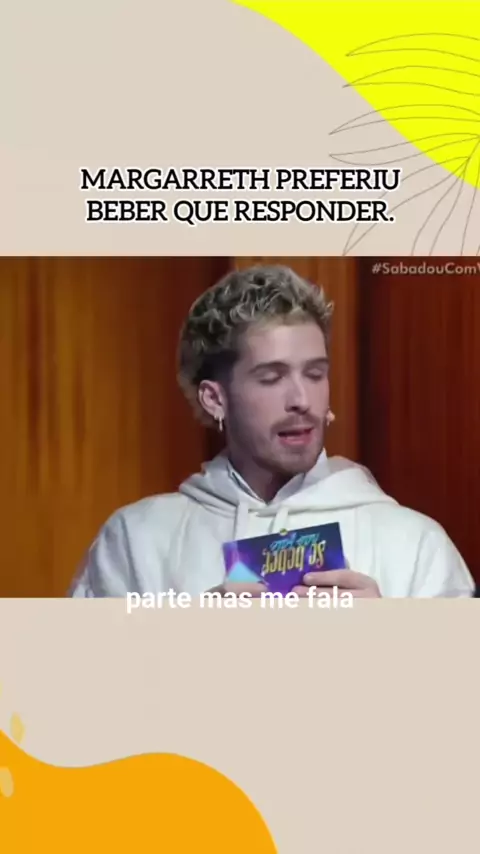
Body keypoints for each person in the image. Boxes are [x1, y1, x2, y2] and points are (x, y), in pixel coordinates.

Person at [69, 265, 474, 599]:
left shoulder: (416, 545)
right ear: (215, 399)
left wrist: (390, 641)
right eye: (271, 377)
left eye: (315, 374)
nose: (302, 399)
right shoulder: (135, 541)